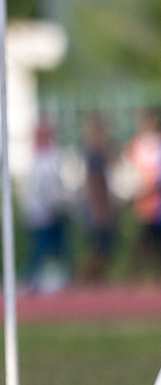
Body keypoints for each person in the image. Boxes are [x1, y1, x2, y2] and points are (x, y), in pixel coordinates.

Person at [21, 120, 70, 293]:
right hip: (39, 211)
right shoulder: (35, 158)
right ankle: (35, 278)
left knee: (56, 246)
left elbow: (54, 184)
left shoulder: (53, 156)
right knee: (40, 246)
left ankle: (57, 277)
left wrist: (57, 203)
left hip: (52, 209)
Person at [80, 115, 116, 284]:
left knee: (103, 245)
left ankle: (96, 280)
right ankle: (89, 280)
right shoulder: (94, 155)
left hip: (100, 203)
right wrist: (98, 207)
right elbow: (93, 182)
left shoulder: (97, 153)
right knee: (99, 246)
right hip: (98, 205)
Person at [126, 108, 161, 281]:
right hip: (143, 202)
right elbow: (129, 172)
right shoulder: (136, 144)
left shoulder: (157, 143)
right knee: (143, 240)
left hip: (155, 200)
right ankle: (137, 275)